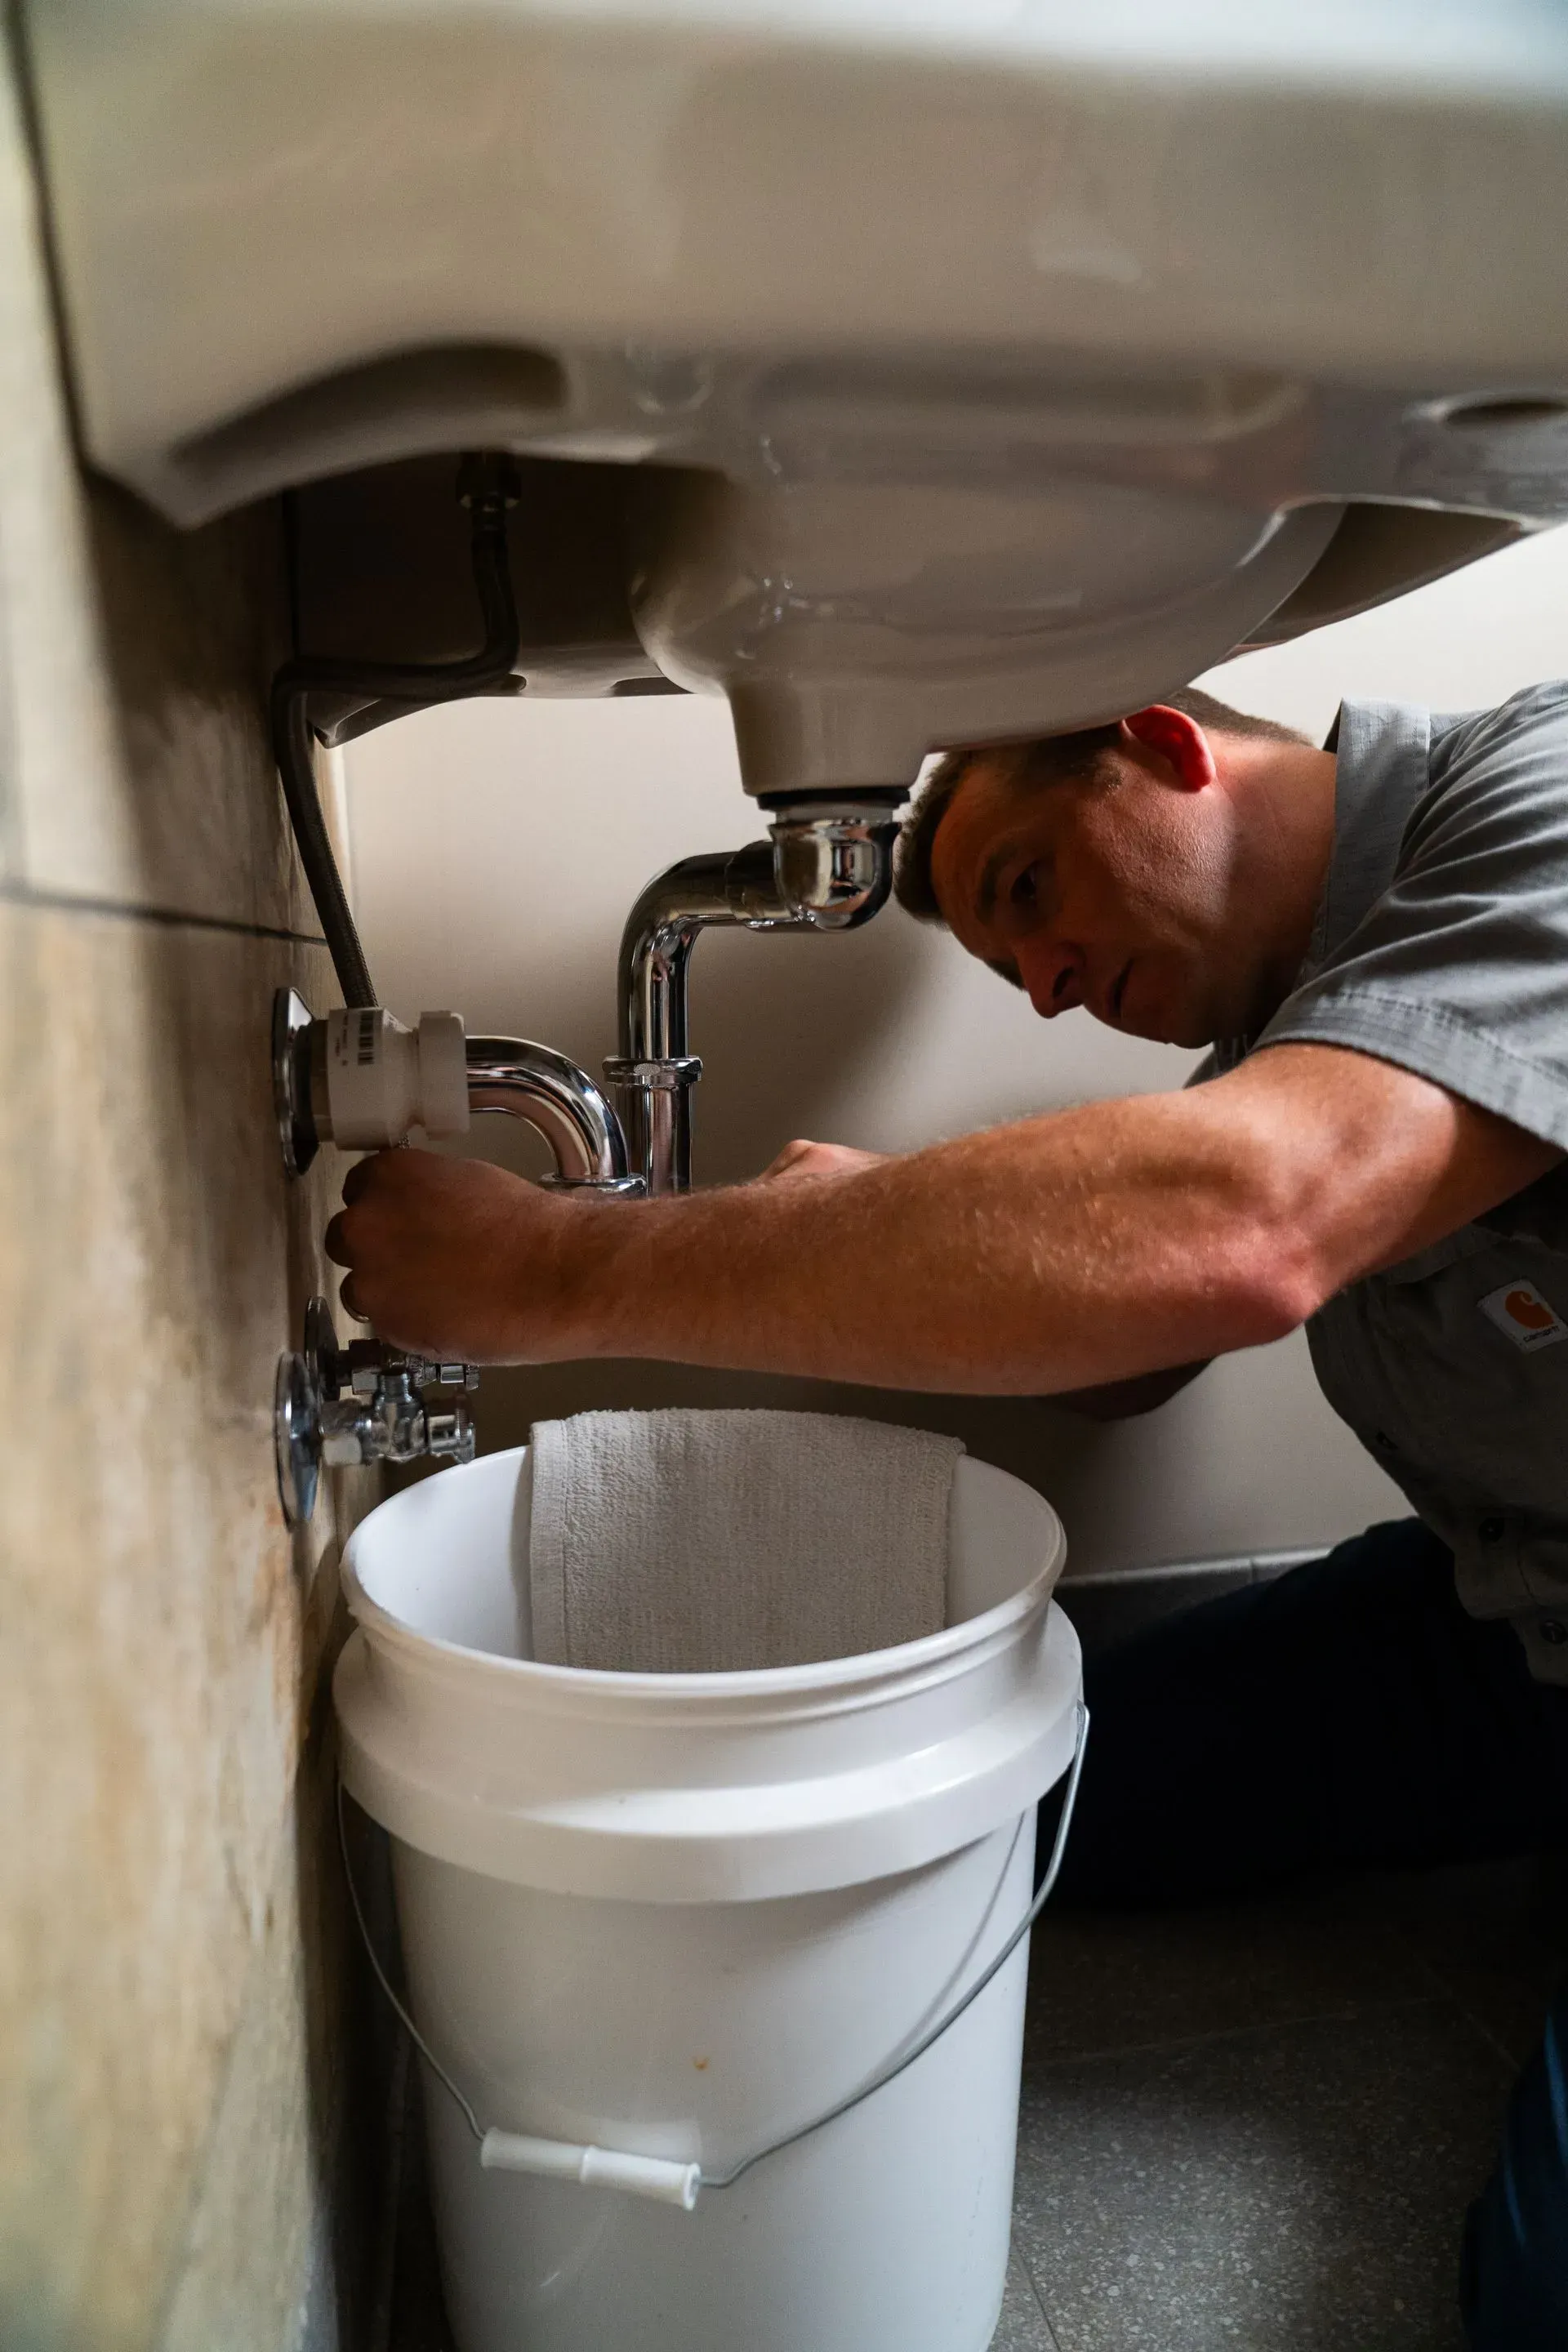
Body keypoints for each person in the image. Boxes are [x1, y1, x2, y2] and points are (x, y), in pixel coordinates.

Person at [327, 679, 1568, 2346]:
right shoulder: (1301, 1032)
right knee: (1047, 1804)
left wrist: (558, 1269)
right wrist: (894, 1232)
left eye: (1034, 890)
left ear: (1160, 740)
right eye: (1011, 970)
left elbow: (1245, 1234)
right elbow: (1151, 1342)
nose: (1050, 990)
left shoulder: (1533, 799)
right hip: (1515, 1626)